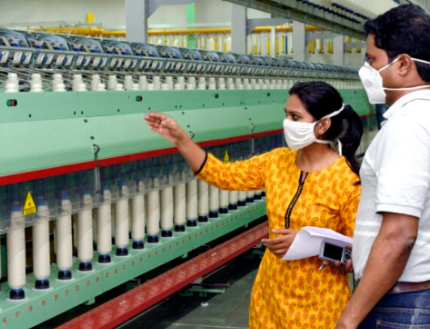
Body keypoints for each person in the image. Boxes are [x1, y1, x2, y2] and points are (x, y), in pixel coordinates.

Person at [144, 82, 363, 329]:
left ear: (322, 125)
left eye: (295, 116)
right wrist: (181, 139)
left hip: (318, 306)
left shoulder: (348, 181)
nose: (286, 123)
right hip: (269, 297)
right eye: (286, 114)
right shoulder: (277, 162)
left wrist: (311, 244)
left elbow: (358, 256)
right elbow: (223, 175)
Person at [334, 5, 430, 329]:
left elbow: (400, 236)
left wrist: (349, 319)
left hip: (402, 306)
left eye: (371, 60)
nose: (366, 69)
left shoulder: (406, 127)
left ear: (402, 64)